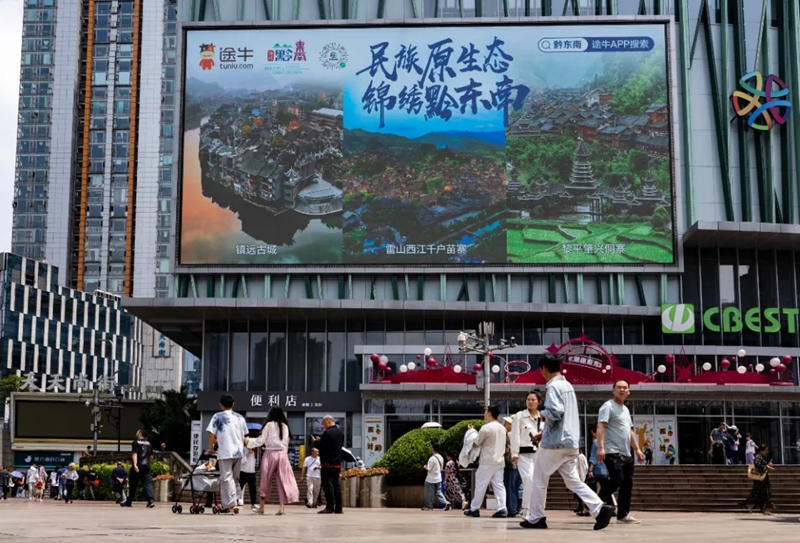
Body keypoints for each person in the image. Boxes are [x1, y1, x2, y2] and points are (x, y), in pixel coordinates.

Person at [520, 353, 614, 531]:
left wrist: (542, 414)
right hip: (570, 443)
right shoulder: (567, 385)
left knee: (539, 479)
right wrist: (543, 432)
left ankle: (536, 518)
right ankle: (600, 508)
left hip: (555, 444)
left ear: (544, 369)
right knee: (573, 481)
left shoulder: (553, 387)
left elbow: (555, 412)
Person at [596, 379, 645, 525]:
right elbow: (600, 427)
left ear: (629, 391)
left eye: (625, 388)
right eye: (619, 387)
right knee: (618, 479)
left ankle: (623, 515)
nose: (622, 390)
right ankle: (596, 502)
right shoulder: (608, 406)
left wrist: (637, 449)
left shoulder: (625, 409)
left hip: (626, 453)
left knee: (627, 483)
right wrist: (600, 447)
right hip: (612, 451)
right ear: (613, 390)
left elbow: (629, 431)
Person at [246, 407, 299, 515]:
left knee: (265, 480)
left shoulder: (268, 425)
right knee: (283, 481)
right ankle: (282, 508)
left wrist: (248, 441)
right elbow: (286, 443)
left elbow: (261, 440)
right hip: (282, 454)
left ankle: (261, 507)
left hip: (269, 454)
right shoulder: (285, 426)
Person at [207, 393, 249, 514]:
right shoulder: (240, 418)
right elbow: (245, 436)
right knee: (235, 478)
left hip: (225, 452)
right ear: (233, 404)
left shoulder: (217, 416)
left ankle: (230, 505)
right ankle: (235, 500)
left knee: (226, 478)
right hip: (238, 452)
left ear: (221, 405)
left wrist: (211, 448)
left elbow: (211, 434)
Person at [464, 405, 507, 518]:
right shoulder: (503, 428)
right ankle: (502, 509)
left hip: (487, 461)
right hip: (500, 461)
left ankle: (474, 509)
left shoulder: (486, 428)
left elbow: (476, 443)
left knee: (480, 485)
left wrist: (471, 432)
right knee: (499, 485)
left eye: (485, 412)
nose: (484, 414)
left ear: (489, 413)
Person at [510, 391, 544, 519]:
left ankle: (535, 509)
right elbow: (515, 435)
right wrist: (514, 453)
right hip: (523, 454)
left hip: (538, 455)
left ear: (538, 402)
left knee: (536, 482)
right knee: (528, 480)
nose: (530, 402)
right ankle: (525, 508)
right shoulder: (520, 416)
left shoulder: (542, 417)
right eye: (528, 399)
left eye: (533, 400)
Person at [315, 415, 344, 514]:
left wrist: (316, 442)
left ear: (328, 422)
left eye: (324, 424)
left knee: (328, 486)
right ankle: (339, 508)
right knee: (337, 486)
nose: (324, 427)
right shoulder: (340, 433)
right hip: (337, 463)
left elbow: (322, 447)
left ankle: (330, 507)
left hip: (327, 463)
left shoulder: (327, 433)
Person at [122, 429, 155, 508]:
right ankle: (150, 500)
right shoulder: (149, 443)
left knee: (133, 484)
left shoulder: (136, 442)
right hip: (146, 466)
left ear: (140, 433)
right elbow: (151, 456)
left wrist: (135, 464)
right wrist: (148, 463)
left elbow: (135, 453)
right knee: (148, 484)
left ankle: (129, 501)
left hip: (138, 466)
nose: (136, 433)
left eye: (137, 431)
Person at [582, 426, 609, 517]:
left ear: (595, 433)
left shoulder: (595, 442)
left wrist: (590, 470)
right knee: (606, 490)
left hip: (597, 470)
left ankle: (587, 509)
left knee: (591, 490)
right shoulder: (606, 442)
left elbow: (593, 457)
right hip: (606, 470)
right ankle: (610, 507)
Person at [742, 444, 774, 515]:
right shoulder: (758, 457)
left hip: (763, 479)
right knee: (764, 494)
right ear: (761, 451)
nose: (767, 452)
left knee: (762, 494)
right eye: (765, 450)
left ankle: (755, 506)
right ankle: (764, 509)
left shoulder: (762, 457)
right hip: (760, 480)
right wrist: (767, 467)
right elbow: (758, 465)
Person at [502, 415, 522, 517]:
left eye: (506, 423)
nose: (504, 425)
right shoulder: (520, 433)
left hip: (511, 464)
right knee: (515, 487)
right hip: (519, 464)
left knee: (510, 487)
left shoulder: (510, 434)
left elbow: (506, 450)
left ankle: (512, 509)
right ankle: (515, 508)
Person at [422, 442, 450, 511]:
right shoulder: (441, 457)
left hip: (430, 479)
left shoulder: (432, 458)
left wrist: (425, 467)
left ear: (433, 449)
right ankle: (446, 502)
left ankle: (429, 506)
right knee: (439, 492)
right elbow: (441, 467)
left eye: (431, 448)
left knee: (429, 493)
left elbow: (429, 468)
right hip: (438, 478)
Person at [238, 447, 258, 513]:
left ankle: (253, 503)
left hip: (252, 472)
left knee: (253, 489)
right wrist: (248, 453)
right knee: (239, 487)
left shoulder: (254, 451)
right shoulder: (242, 449)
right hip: (243, 471)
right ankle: (235, 501)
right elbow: (242, 461)